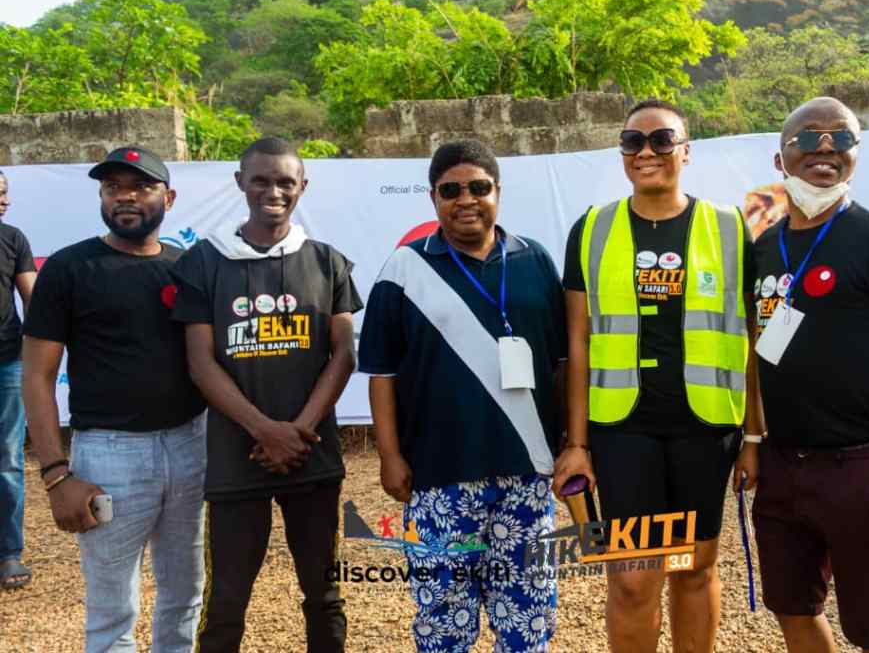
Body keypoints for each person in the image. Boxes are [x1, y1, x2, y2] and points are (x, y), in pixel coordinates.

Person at [553, 99, 764, 653]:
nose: (646, 151)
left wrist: (754, 437)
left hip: (705, 427)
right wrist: (576, 444)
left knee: (693, 568)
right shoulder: (592, 228)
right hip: (624, 431)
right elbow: (577, 344)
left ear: (686, 151)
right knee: (632, 578)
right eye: (632, 142)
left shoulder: (729, 227)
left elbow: (750, 340)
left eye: (662, 140)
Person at [359, 139, 566, 653]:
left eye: (478, 187)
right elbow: (381, 374)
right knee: (443, 619)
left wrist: (570, 442)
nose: (466, 199)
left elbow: (561, 361)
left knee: (528, 613)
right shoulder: (403, 269)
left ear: (498, 191)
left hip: (527, 472)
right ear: (433, 197)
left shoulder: (535, 259)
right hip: (439, 476)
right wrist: (389, 456)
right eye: (451, 190)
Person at [750, 97, 869, 653]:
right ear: (780, 158)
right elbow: (754, 353)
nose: (826, 148)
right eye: (809, 138)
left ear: (857, 154)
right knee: (792, 610)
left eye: (842, 138)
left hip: (859, 464)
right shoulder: (764, 248)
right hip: (783, 465)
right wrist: (755, 442)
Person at [172, 137, 358, 652]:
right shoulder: (204, 262)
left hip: (312, 455)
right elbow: (200, 363)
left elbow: (343, 354)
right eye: (260, 180)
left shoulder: (327, 262)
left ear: (302, 187)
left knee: (324, 594)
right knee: (226, 600)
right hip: (237, 459)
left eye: (284, 182)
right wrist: (265, 431)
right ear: (240, 182)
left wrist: (299, 431)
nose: (273, 192)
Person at [22, 147, 207, 651]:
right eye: (112, 187)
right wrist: (56, 474)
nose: (125, 196)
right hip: (109, 454)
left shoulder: (189, 268)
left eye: (141, 186)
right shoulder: (69, 268)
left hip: (189, 445)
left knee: (185, 594)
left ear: (169, 197)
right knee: (111, 611)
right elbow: (37, 376)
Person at [0, 169, 37, 590]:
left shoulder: (13, 239)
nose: (5, 201)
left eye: (6, 193)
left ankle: (9, 553)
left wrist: (37, 354)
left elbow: (34, 299)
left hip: (6, 362)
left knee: (7, 461)